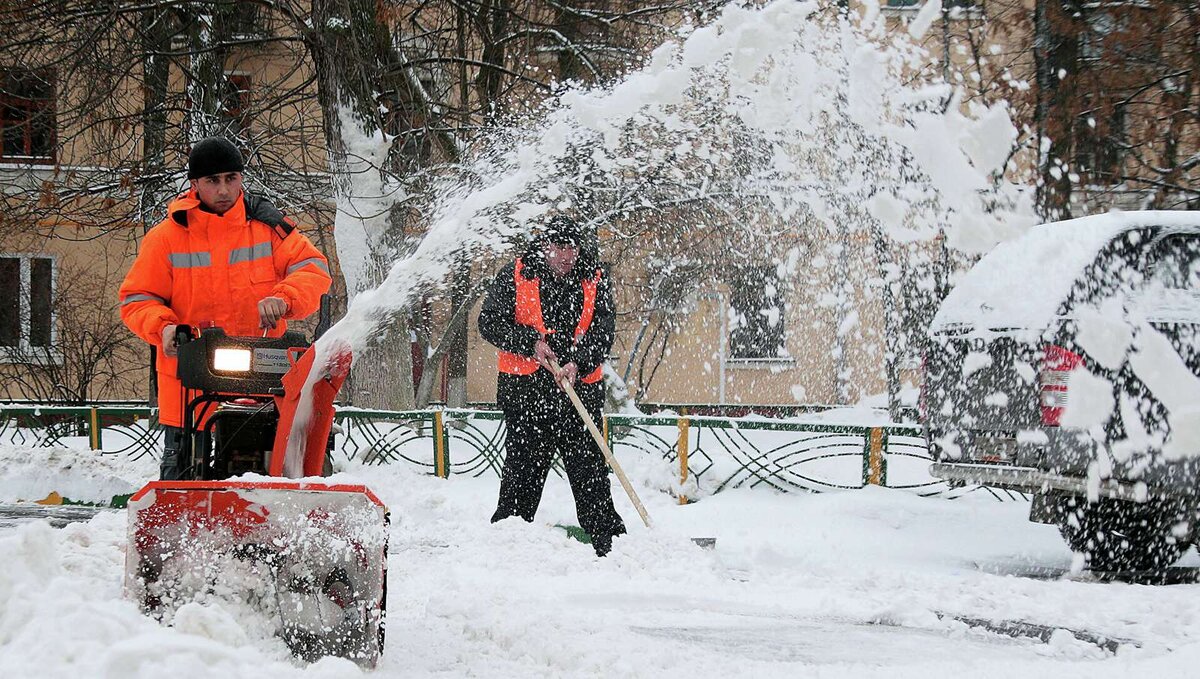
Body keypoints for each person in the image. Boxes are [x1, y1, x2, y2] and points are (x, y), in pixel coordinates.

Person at [119, 137, 332, 480]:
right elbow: (137, 298)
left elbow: (313, 269)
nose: (223, 189)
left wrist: (285, 297)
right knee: (182, 479)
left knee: (273, 475)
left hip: (261, 381)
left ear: (241, 179)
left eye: (231, 178)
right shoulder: (167, 238)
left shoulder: (269, 228)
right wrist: (165, 328)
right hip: (191, 384)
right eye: (212, 181)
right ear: (194, 184)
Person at [479, 214, 626, 557]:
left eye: (571, 247)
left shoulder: (594, 278)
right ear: (544, 246)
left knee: (590, 474)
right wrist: (529, 343)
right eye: (559, 247)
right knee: (522, 475)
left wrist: (579, 362)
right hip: (527, 395)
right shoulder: (516, 274)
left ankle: (612, 546)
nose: (566, 255)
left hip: (579, 395)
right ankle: (506, 546)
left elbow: (603, 333)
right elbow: (489, 323)